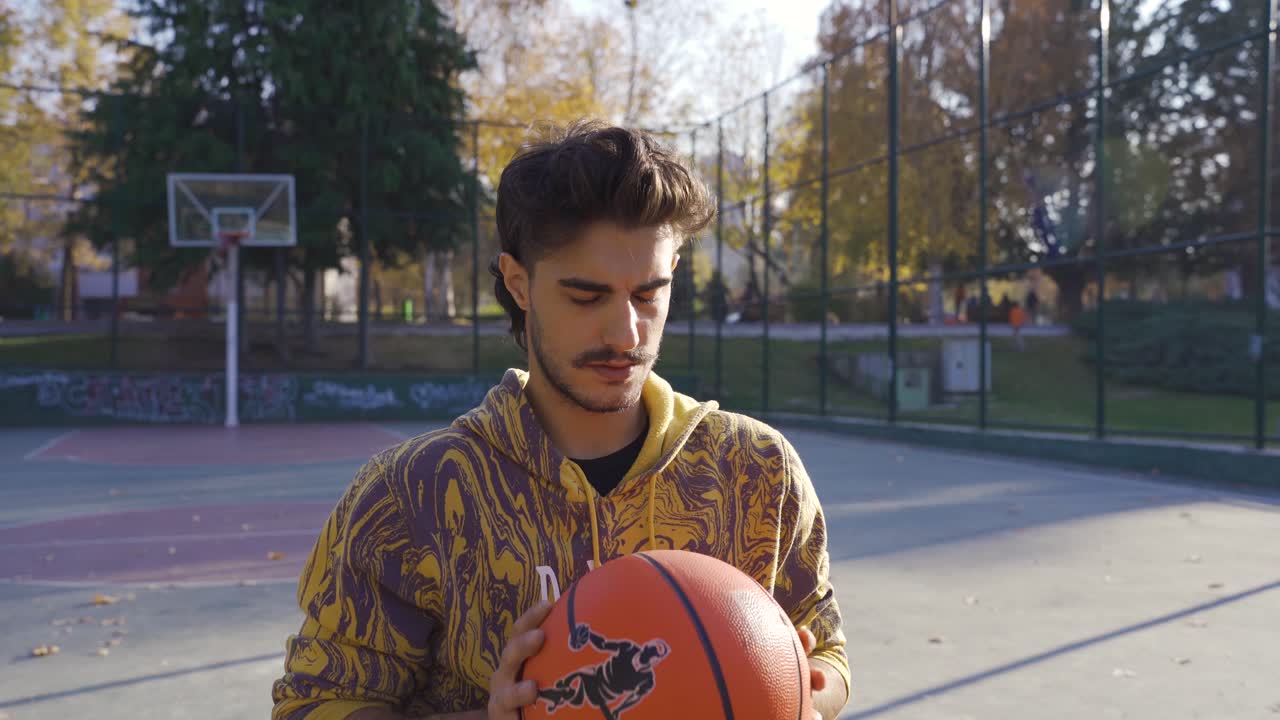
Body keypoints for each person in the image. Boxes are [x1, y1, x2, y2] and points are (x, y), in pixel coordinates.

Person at [270, 122, 850, 720]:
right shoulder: (412, 494)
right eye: (586, 296)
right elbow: (317, 704)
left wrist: (797, 695)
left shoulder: (755, 470)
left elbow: (824, 647)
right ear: (519, 283)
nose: (626, 333)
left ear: (674, 269)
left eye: (649, 294)